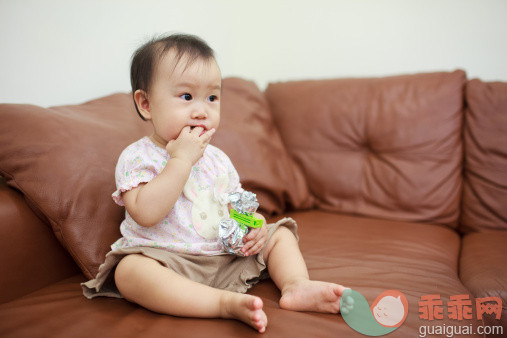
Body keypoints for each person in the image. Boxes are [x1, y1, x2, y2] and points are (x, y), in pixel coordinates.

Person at [82, 33, 346, 333]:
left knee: (278, 233)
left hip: (223, 255)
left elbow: (231, 205)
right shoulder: (138, 157)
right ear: (146, 104)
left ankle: (297, 286)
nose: (202, 110)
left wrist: (253, 224)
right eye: (186, 97)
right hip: (169, 262)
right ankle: (221, 304)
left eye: (212, 97)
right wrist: (180, 161)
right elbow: (145, 212)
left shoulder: (217, 158)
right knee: (129, 272)